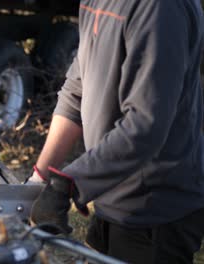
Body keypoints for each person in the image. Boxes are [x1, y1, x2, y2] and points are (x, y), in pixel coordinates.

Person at [27, 0, 204, 263]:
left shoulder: (160, 9)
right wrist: (40, 179)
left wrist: (70, 183)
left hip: (155, 212)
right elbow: (77, 89)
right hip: (112, 198)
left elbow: (145, 126)